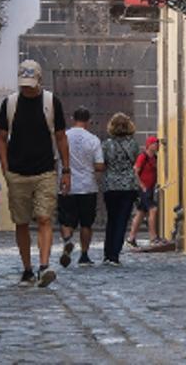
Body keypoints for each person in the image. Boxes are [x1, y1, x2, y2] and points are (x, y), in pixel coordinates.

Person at [0, 59, 70, 287]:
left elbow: (60, 137)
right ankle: (27, 269)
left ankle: (44, 266)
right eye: (23, 84)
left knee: (44, 218)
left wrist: (66, 169)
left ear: (39, 81)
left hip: (45, 171)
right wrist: (6, 168)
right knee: (21, 222)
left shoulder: (51, 102)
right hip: (17, 173)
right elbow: (1, 138)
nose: (26, 88)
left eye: (30, 83)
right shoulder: (9, 104)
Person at [57, 107, 105, 268]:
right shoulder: (93, 140)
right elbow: (99, 166)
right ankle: (84, 255)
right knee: (86, 223)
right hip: (87, 186)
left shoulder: (64, 137)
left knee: (66, 221)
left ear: (72, 119)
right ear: (89, 121)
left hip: (66, 186)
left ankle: (67, 240)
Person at [100, 113, 142, 266]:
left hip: (111, 186)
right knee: (121, 221)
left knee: (111, 219)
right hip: (128, 187)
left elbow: (103, 163)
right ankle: (114, 256)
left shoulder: (106, 144)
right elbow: (135, 161)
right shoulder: (133, 145)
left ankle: (107, 254)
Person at [127, 136, 161, 248]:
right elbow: (135, 171)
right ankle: (153, 238)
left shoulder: (154, 157)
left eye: (157, 143)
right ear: (149, 145)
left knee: (141, 213)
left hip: (150, 189)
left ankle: (131, 239)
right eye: (155, 143)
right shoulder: (143, 156)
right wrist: (142, 186)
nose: (157, 145)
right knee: (153, 209)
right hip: (143, 190)